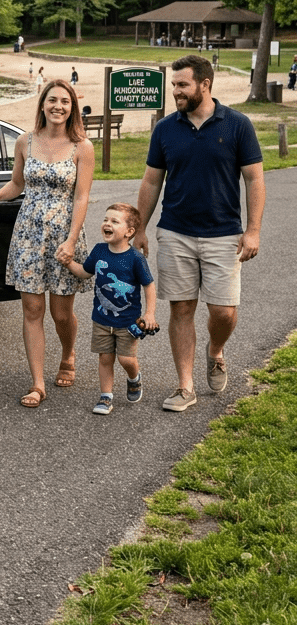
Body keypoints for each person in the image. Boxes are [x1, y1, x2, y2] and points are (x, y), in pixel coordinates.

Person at [134, 55, 265, 412]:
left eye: (182, 85)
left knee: (223, 312)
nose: (175, 91)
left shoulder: (238, 125)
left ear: (204, 84)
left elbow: (254, 179)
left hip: (224, 234)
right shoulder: (165, 128)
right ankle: (185, 386)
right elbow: (151, 180)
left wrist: (252, 231)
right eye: (174, 85)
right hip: (175, 231)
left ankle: (216, 350)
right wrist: (140, 228)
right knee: (181, 309)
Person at [0, 79, 95, 407]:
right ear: (42, 104)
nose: (58, 106)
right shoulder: (25, 141)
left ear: (72, 106)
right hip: (28, 236)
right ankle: (37, 383)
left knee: (62, 314)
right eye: (52, 100)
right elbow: (17, 183)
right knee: (32, 309)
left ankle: (68, 353)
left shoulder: (82, 146)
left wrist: (72, 239)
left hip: (64, 235)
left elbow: (82, 196)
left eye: (65, 101)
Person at [59, 203, 156, 415]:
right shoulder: (99, 250)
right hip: (101, 319)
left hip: (127, 321)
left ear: (129, 232)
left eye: (114, 221)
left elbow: (149, 285)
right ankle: (106, 396)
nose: (107, 224)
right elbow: (85, 273)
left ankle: (134, 378)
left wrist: (149, 313)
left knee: (126, 359)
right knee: (105, 357)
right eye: (105, 220)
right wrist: (68, 263)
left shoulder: (135, 258)